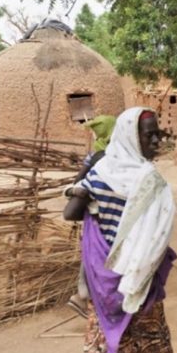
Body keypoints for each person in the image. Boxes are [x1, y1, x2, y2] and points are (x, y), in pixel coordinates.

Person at [63, 107, 177, 353]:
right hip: (138, 280)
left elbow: (71, 213)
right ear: (130, 136)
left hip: (109, 281)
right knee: (150, 342)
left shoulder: (102, 173)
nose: (156, 142)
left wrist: (86, 181)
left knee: (106, 348)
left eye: (158, 135)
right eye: (149, 136)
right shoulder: (149, 181)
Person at [66, 115, 117, 319]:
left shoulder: (95, 154)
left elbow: (77, 182)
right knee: (105, 261)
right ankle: (93, 303)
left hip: (93, 216)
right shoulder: (114, 155)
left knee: (92, 257)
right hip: (109, 214)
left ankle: (83, 297)